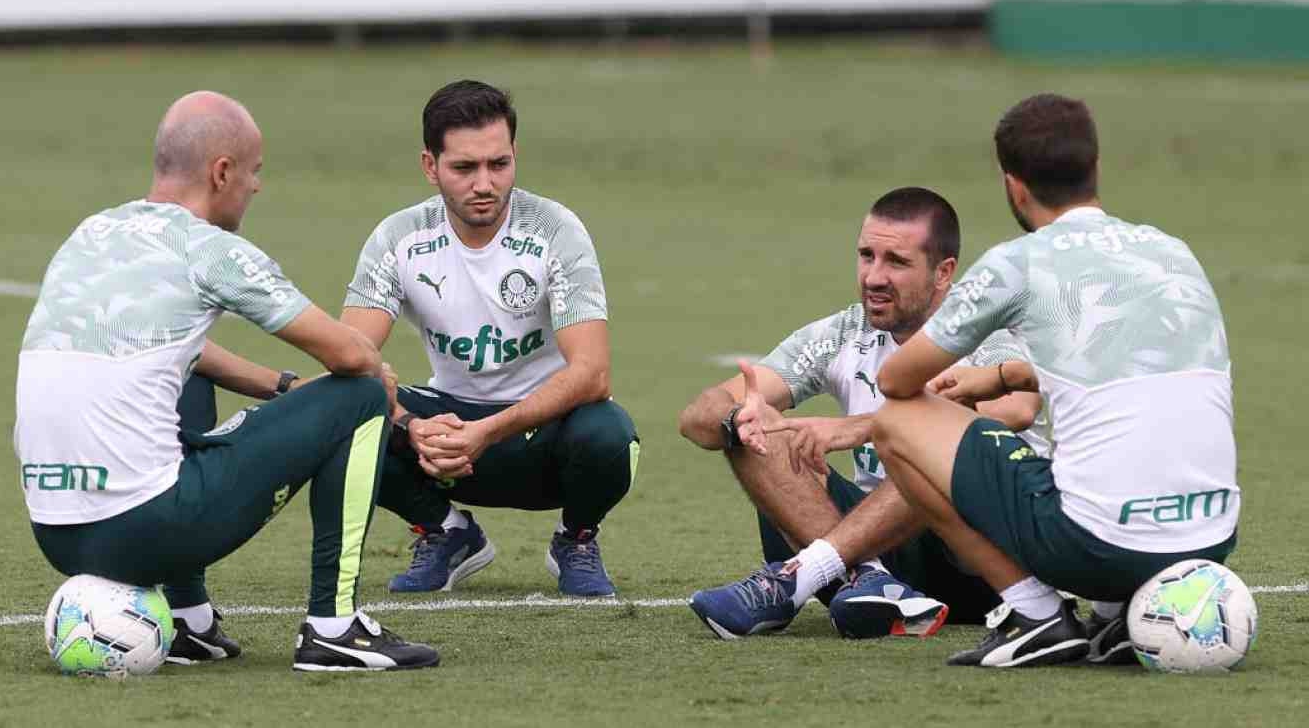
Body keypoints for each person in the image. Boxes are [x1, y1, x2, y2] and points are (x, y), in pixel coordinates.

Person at [16, 91, 440, 673]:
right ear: (222, 172)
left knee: (181, 366)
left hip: (57, 532)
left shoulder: (90, 234)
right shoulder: (211, 250)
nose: (256, 186)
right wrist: (387, 396)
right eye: (254, 171)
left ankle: (189, 623)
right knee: (361, 396)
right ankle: (335, 629)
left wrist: (286, 390)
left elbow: (179, 350)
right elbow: (353, 356)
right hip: (147, 529)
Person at [872, 93, 1239, 668]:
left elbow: (896, 378)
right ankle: (1119, 615)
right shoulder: (1173, 250)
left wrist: (976, 379)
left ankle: (1034, 615)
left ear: (1014, 185)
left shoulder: (1016, 262)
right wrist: (1006, 374)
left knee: (895, 420)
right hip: (1211, 542)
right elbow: (1128, 363)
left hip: (1094, 549)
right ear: (1094, 168)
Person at [679, 187, 1047, 639]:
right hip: (883, 547)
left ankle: (807, 574)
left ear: (943, 272)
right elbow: (697, 416)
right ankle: (869, 581)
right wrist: (737, 419)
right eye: (866, 255)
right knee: (755, 427)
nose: (874, 276)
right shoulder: (844, 333)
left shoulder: (980, 335)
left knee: (938, 453)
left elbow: (1016, 408)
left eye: (896, 262)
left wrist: (860, 429)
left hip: (982, 565)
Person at [341, 80, 637, 597]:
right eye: (464, 168)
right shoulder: (399, 238)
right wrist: (409, 424)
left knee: (609, 435)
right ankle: (446, 532)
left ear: (515, 155)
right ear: (430, 166)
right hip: (447, 432)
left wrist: (489, 430)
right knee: (341, 412)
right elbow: (348, 359)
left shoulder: (555, 230)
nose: (484, 183)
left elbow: (592, 372)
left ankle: (577, 539)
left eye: (499, 164)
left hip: (543, 434)